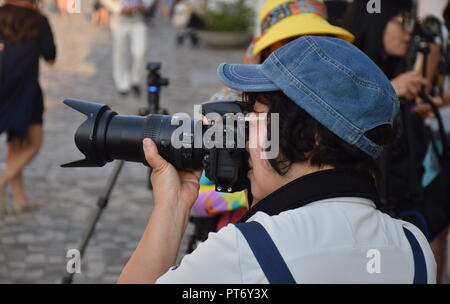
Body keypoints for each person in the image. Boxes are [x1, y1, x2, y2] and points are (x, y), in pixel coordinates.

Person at [118, 36, 436, 284]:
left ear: (311, 140)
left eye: (256, 122)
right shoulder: (414, 248)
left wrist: (171, 207)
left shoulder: (246, 251)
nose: (242, 140)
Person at [188, 0, 355, 250]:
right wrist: (249, 189)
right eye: (292, 40)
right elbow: (195, 197)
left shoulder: (336, 107)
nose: (305, 52)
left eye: (316, 40)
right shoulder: (228, 108)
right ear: (266, 51)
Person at [343, 0, 449, 283]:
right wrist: (389, 90)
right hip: (368, 224)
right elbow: (337, 124)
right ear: (376, 23)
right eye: (401, 21)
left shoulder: (398, 68)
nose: (409, 31)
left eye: (412, 22)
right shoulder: (348, 72)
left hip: (405, 215)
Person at [0, 0, 56, 215]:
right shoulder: (38, 19)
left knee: (16, 142)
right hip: (26, 90)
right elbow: (50, 57)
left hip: (2, 87)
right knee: (34, 143)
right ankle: (2, 182)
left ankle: (20, 198)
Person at [101, 0, 157, 97]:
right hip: (120, 20)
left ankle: (135, 80)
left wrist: (144, 4)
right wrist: (119, 8)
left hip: (138, 20)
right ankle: (122, 84)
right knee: (120, 52)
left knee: (140, 51)